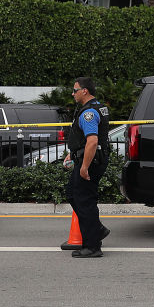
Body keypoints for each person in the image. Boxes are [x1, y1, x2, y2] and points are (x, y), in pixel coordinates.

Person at [63, 77, 111, 259]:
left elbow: (92, 141)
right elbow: (85, 140)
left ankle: (92, 246)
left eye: (75, 90)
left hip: (91, 162)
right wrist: (73, 154)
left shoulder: (88, 113)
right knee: (72, 193)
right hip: (89, 158)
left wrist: (84, 167)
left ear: (85, 91)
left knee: (85, 200)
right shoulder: (97, 106)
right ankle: (96, 229)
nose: (73, 93)